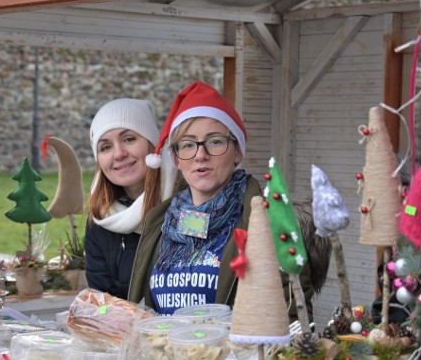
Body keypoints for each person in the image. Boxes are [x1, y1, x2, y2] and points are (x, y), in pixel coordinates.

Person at [128, 81, 318, 315]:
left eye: (215, 141)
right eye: (188, 145)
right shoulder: (160, 222)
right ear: (176, 159)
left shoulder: (268, 221)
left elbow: (294, 311)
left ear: (237, 151)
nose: (201, 155)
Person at [85, 98, 177, 298]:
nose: (119, 154)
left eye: (129, 139)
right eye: (105, 147)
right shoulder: (101, 216)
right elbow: (102, 299)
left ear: (152, 144)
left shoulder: (183, 204)